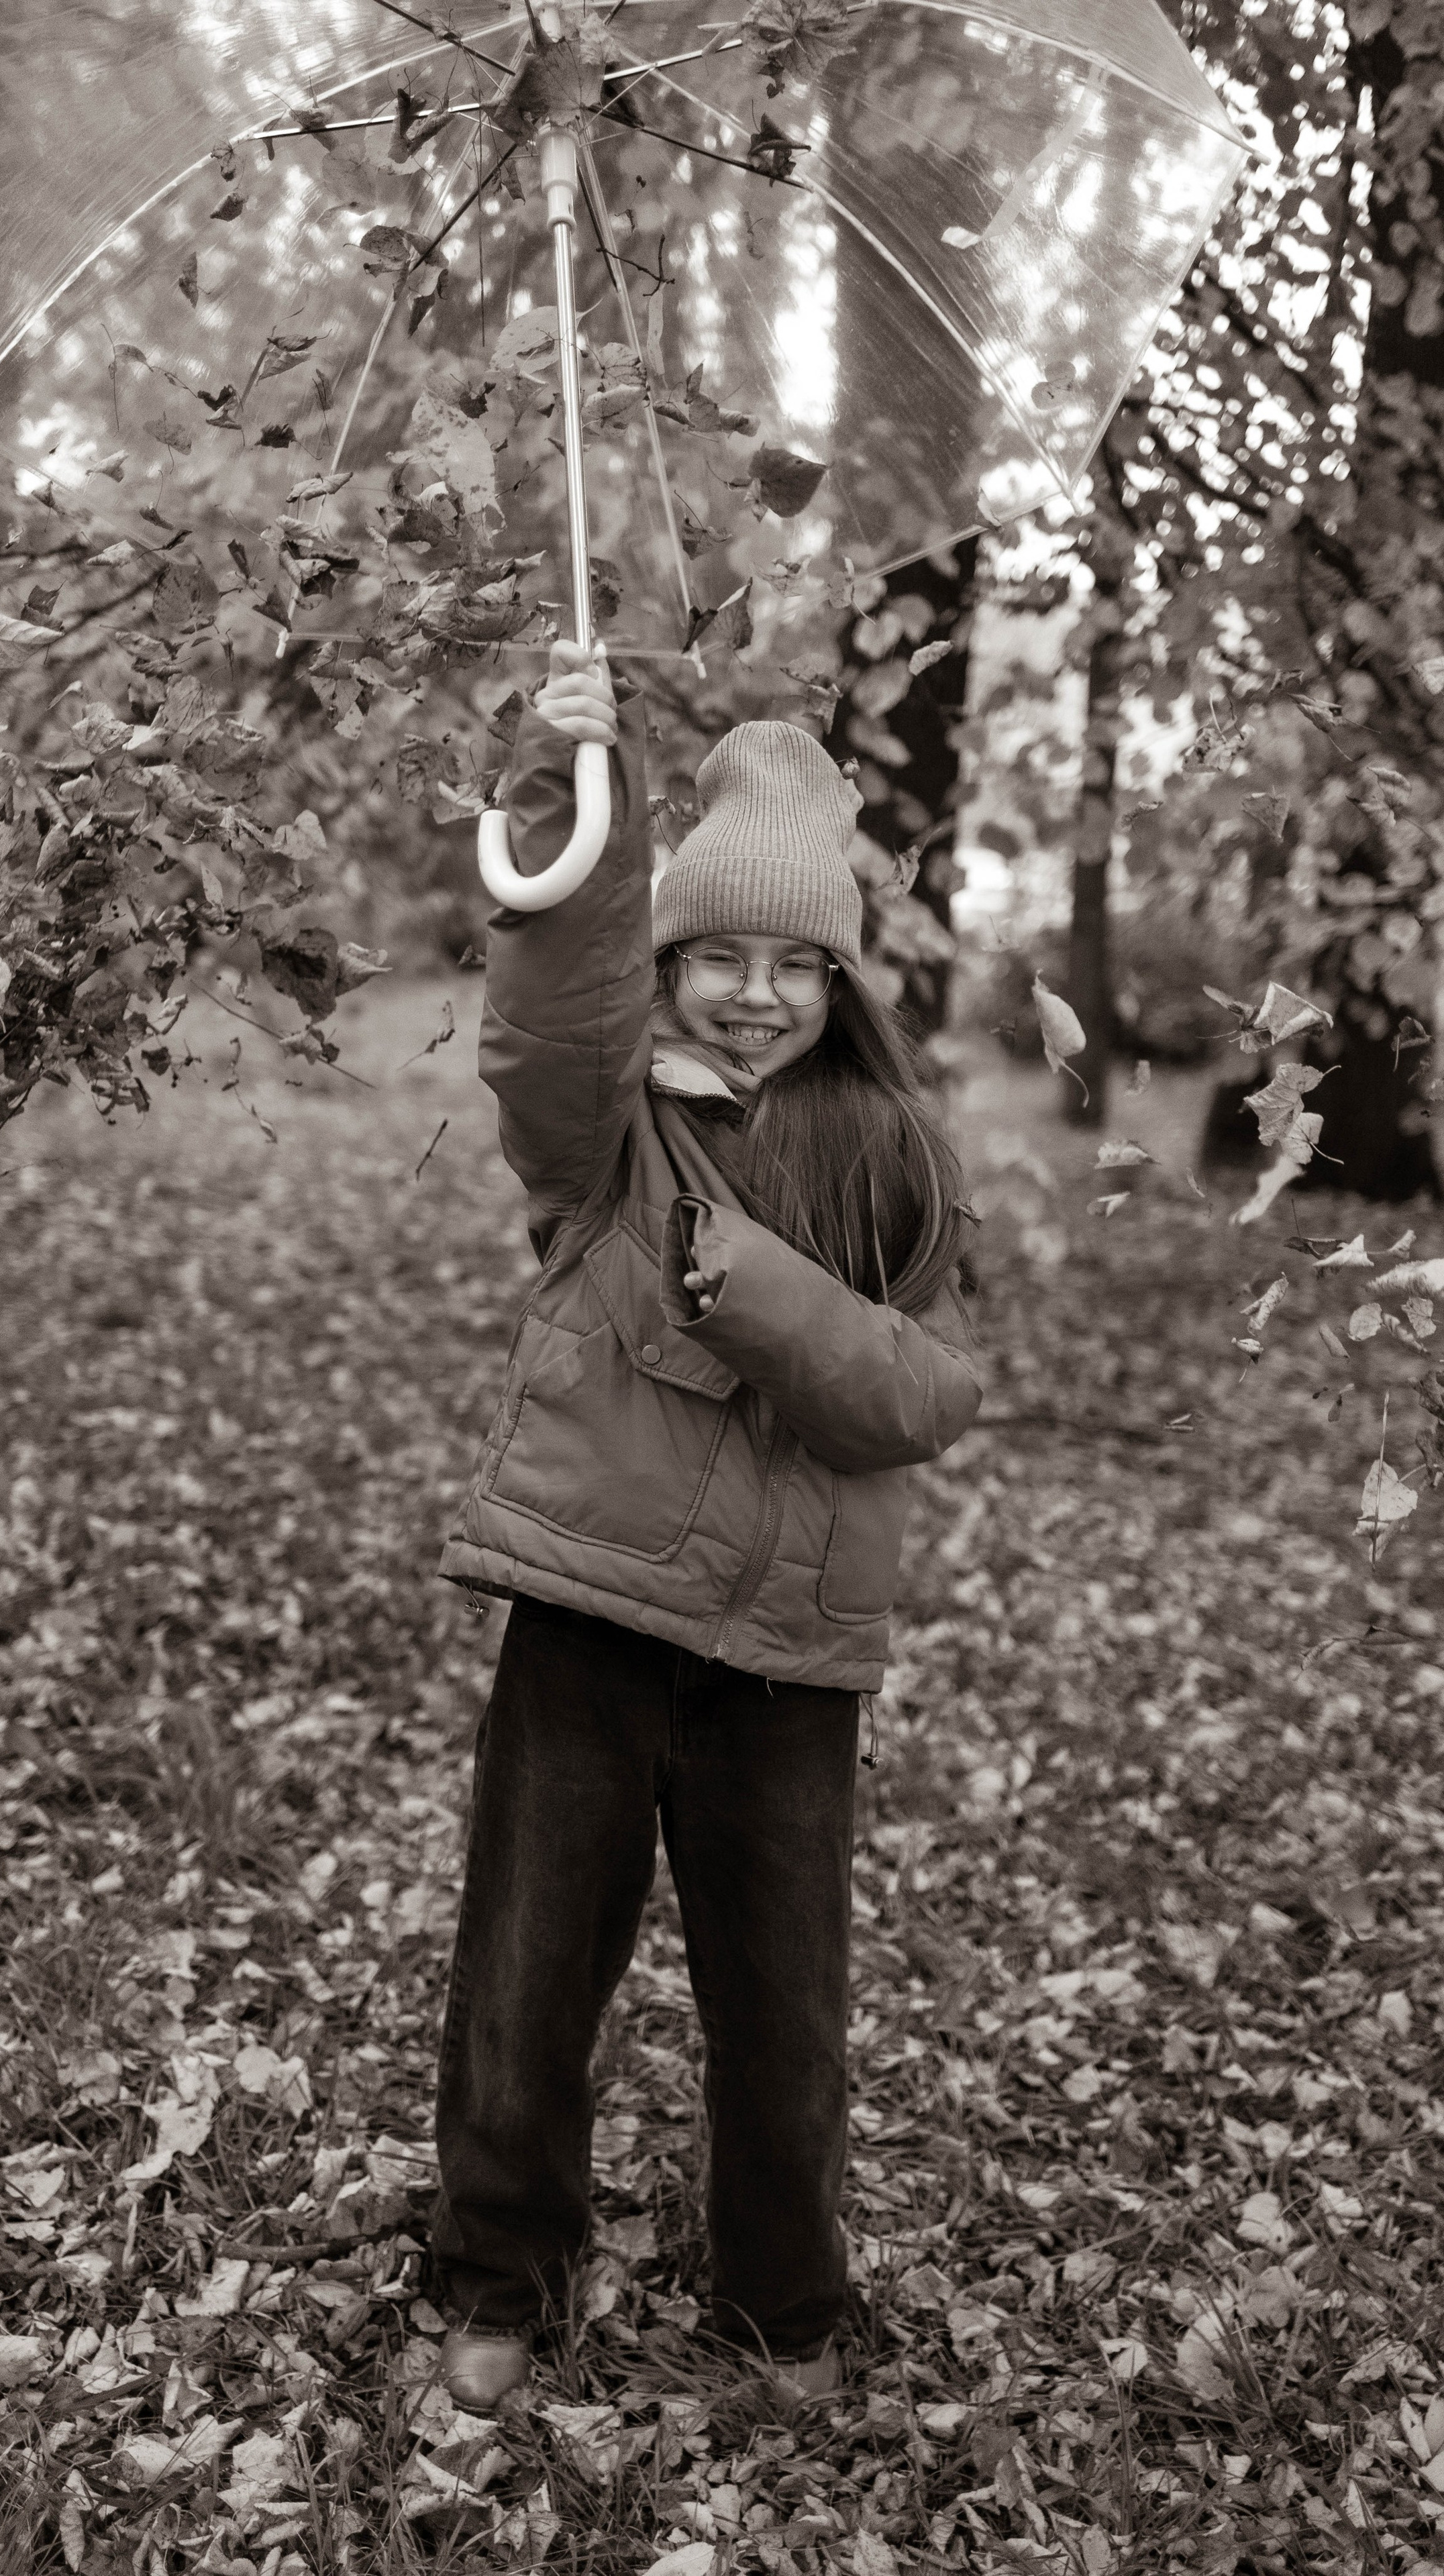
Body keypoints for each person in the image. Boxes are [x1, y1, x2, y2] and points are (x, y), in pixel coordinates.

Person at [425, 639, 982, 2410]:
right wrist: (564, 799)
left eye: (792, 963)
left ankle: (787, 2310)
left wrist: (765, 1299)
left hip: (788, 1661)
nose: (752, 996)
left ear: (841, 976)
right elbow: (547, 1006)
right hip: (591, 1618)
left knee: (783, 2006)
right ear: (669, 957)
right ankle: (500, 2274)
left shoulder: (892, 1153)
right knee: (525, 1975)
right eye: (716, 956)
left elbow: (924, 1397)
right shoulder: (603, 1136)